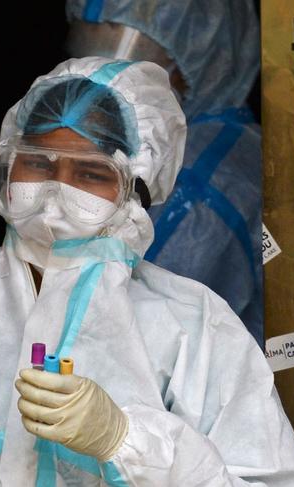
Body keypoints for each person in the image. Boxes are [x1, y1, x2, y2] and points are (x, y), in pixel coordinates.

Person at [0, 57, 294, 485]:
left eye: (91, 172)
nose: (55, 190)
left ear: (137, 188)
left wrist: (127, 442)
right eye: (37, 164)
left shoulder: (196, 326)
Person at [65, 0, 265, 347]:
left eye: (137, 66)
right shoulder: (203, 144)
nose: (103, 89)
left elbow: (113, 339)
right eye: (87, 55)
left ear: (208, 60)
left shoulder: (200, 187)